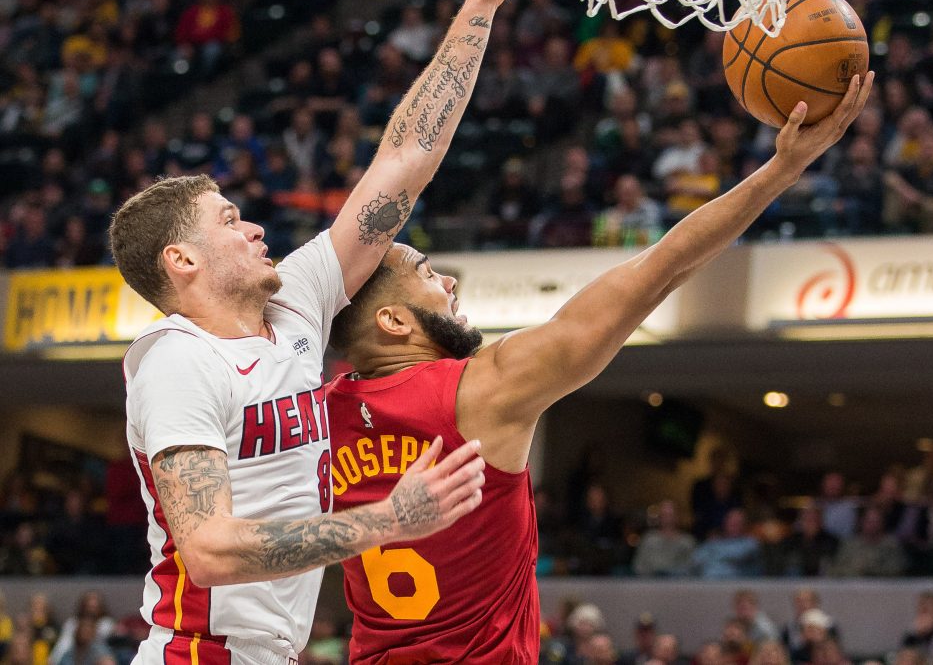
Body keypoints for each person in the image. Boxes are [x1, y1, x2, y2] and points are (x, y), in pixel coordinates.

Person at [326, 73, 874, 661]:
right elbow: (658, 269)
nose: (450, 281)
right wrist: (781, 171)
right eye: (429, 274)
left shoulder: (309, 418)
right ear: (394, 322)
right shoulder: (483, 389)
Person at [108, 0, 507, 658]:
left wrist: (480, 10)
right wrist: (387, 519)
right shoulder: (176, 361)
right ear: (182, 260)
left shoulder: (294, 302)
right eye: (231, 222)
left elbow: (405, 159)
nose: (256, 227)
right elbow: (208, 550)